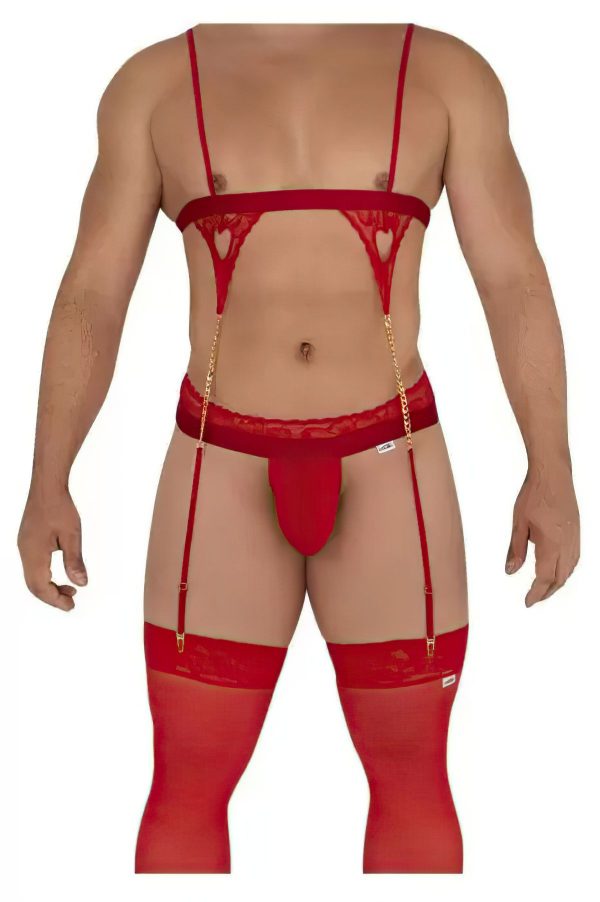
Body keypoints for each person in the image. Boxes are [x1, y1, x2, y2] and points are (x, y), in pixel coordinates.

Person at [17, 23, 580, 874]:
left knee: (414, 782)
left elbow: (513, 279)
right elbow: (93, 290)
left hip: (392, 458)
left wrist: (553, 467)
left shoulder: (447, 73)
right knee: (187, 785)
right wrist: (47, 477)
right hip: (220, 459)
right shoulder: (155, 83)